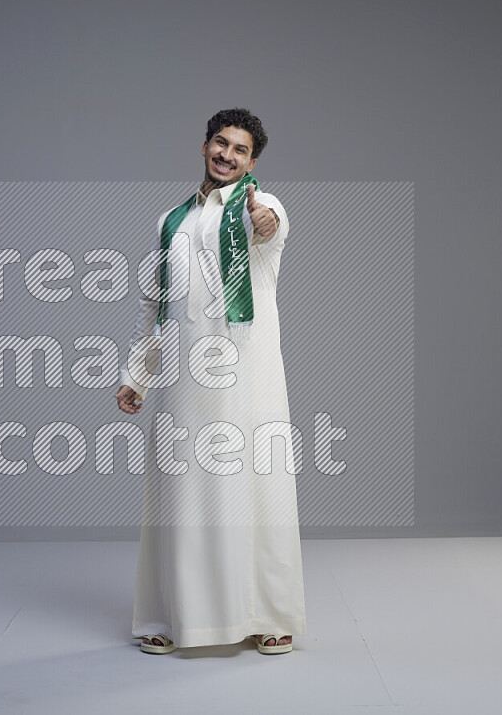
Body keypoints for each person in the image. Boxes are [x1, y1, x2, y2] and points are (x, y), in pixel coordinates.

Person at [115, 108, 306, 655]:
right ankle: (173, 616)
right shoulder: (169, 221)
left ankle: (269, 615)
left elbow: (269, 230)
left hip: (248, 377)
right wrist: (137, 375)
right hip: (183, 379)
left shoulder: (260, 206)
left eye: (240, 150)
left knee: (256, 488)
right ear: (204, 147)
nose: (227, 155)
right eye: (220, 144)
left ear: (252, 162)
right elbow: (153, 303)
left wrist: (264, 222)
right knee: (182, 492)